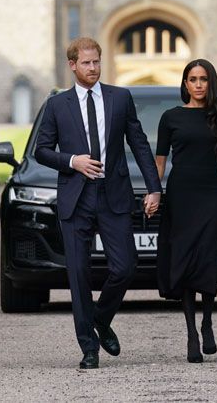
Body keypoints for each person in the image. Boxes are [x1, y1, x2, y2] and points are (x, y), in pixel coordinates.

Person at [35, 37, 162, 369]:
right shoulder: (57, 105)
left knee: (125, 266)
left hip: (113, 194)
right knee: (78, 274)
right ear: (73, 65)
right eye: (86, 63)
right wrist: (72, 161)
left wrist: (154, 187)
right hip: (76, 197)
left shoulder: (120, 98)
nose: (92, 68)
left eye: (97, 62)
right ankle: (88, 348)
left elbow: (139, 143)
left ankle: (101, 318)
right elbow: (41, 150)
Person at [155, 59, 217, 363]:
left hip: (211, 195)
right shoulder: (170, 118)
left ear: (211, 82)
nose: (197, 84)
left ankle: (207, 322)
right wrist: (155, 193)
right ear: (185, 84)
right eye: (192, 79)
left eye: (203, 79)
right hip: (181, 196)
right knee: (184, 258)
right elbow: (160, 162)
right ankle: (191, 332)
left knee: (207, 257)